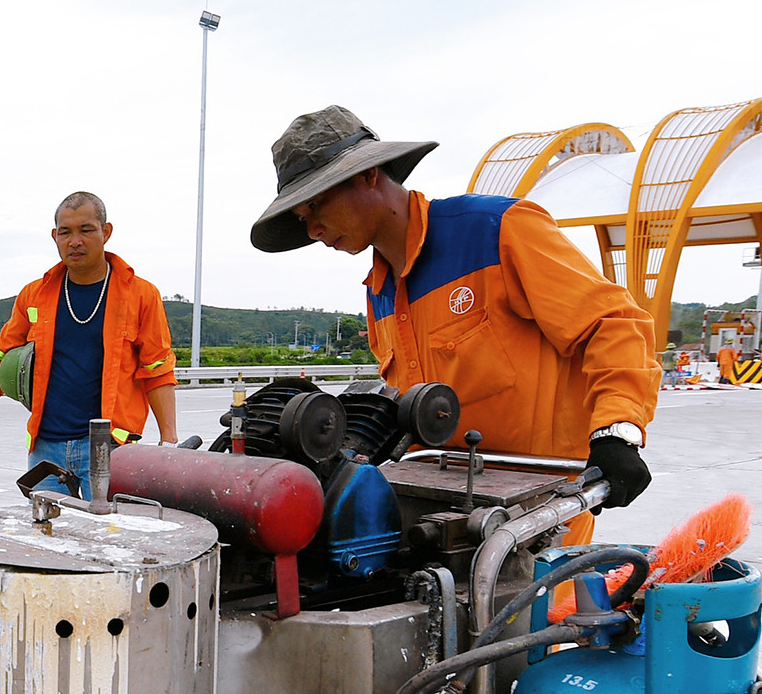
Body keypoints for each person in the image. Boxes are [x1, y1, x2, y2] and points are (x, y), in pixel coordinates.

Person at [248, 107, 658, 540]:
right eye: (301, 218)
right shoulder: (378, 292)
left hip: (537, 517)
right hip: (439, 518)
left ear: (367, 175)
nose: (313, 229)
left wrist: (616, 434)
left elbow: (613, 323)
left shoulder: (497, 232)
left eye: (316, 204)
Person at [0, 193, 179, 496]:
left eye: (86, 230)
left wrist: (169, 441)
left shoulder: (140, 295)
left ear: (106, 232)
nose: (75, 241)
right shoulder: (35, 295)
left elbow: (157, 369)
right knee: (45, 526)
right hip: (45, 449)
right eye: (65, 232)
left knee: (108, 525)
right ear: (55, 236)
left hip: (109, 447)